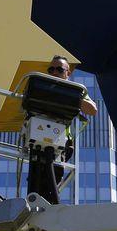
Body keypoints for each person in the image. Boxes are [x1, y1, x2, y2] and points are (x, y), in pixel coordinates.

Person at [26, 55, 96, 204]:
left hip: (60, 142)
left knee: (53, 177)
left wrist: (70, 97)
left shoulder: (77, 91)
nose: (54, 72)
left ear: (68, 73)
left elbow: (92, 110)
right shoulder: (40, 85)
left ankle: (50, 206)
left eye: (59, 69)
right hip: (37, 137)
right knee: (35, 177)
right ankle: (34, 204)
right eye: (51, 69)